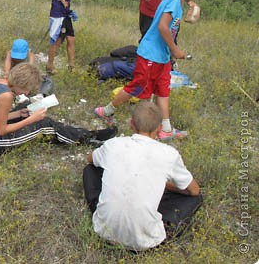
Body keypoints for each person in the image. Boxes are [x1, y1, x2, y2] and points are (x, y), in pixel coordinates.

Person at [94, 0, 203, 140]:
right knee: (139, 87)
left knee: (163, 90)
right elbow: (162, 27)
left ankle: (166, 130)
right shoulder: (173, 1)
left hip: (162, 57)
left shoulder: (175, 0)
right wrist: (175, 49)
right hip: (151, 55)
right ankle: (106, 111)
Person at [83, 102, 202, 251]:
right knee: (196, 198)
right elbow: (194, 191)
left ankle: (105, 210)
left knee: (90, 169)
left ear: (131, 124)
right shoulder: (169, 154)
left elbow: (90, 159)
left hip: (102, 230)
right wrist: (167, 186)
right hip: (144, 242)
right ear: (159, 129)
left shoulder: (113, 144)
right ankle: (158, 225)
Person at [0, 63, 116, 156]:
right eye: (27, 89)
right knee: (43, 124)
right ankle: (88, 138)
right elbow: (1, 130)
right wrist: (31, 120)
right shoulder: (6, 95)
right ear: (21, 83)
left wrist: (19, 113)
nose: (26, 93)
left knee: (24, 108)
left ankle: (80, 134)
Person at [46, 0, 81, 75]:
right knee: (57, 40)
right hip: (58, 14)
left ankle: (71, 66)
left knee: (71, 39)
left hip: (65, 14)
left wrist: (69, 10)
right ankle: (49, 66)